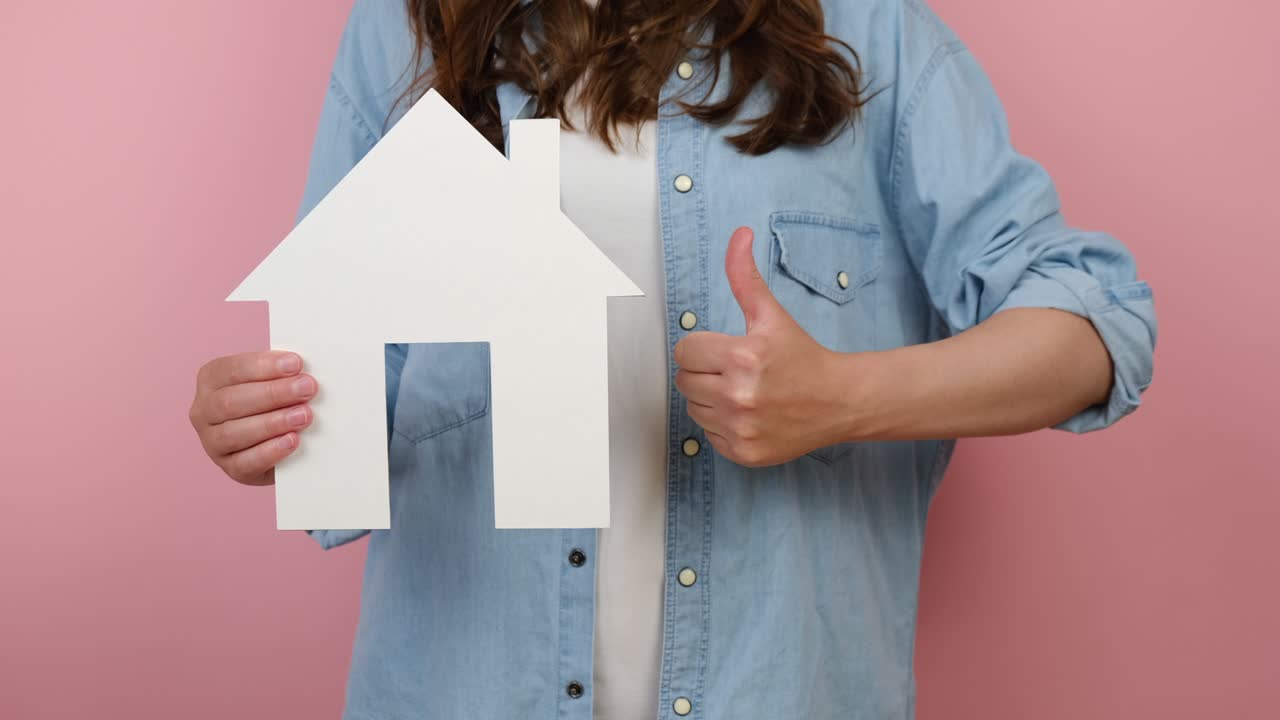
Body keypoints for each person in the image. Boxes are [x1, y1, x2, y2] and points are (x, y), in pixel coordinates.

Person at [188, 0, 1157, 717]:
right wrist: (260, 419)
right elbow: (342, 386)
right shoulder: (404, 34)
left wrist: (842, 398)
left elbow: (1096, 326)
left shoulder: (867, 33)